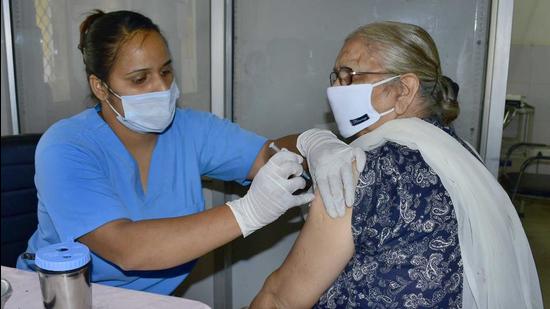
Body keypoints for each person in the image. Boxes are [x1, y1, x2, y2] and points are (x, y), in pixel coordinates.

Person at [16, 10, 367, 295]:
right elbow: (126, 248)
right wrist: (248, 211)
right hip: (61, 295)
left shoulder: (189, 130)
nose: (162, 87)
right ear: (100, 86)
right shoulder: (67, 146)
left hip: (154, 301)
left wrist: (312, 145)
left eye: (166, 71)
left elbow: (266, 154)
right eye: (140, 79)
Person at [251, 21, 543, 308]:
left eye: (349, 75)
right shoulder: (461, 155)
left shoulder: (365, 169)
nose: (336, 90)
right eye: (336, 77)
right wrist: (309, 142)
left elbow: (280, 299)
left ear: (404, 90)